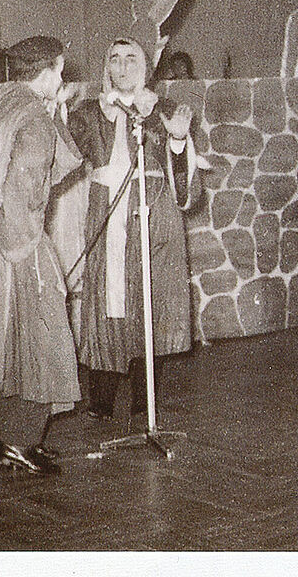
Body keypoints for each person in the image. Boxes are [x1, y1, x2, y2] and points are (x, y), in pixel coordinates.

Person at [0, 35, 82, 476]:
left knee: (9, 341)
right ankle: (20, 441)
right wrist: (27, 247)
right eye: (60, 71)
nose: (62, 79)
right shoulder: (34, 116)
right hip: (13, 233)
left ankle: (17, 439)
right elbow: (29, 183)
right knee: (38, 337)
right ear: (47, 71)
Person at [66, 37, 199, 423]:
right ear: (107, 66)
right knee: (108, 296)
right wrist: (59, 106)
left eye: (130, 59)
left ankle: (146, 397)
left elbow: (185, 178)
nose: (122, 67)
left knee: (150, 298)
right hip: (109, 210)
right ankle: (102, 398)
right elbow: (64, 148)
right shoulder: (91, 112)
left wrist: (177, 140)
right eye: (114, 59)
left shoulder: (164, 108)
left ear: (144, 66)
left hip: (155, 213)